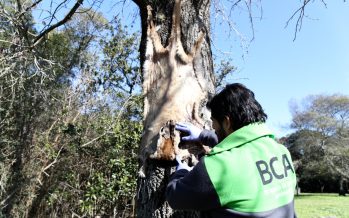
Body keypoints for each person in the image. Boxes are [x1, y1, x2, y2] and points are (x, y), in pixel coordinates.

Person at [166, 83, 297, 218]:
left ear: (227, 122)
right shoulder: (281, 151)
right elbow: (242, 148)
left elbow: (176, 197)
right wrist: (202, 135)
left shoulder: (218, 165)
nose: (213, 127)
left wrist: (181, 172)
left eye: (213, 122)